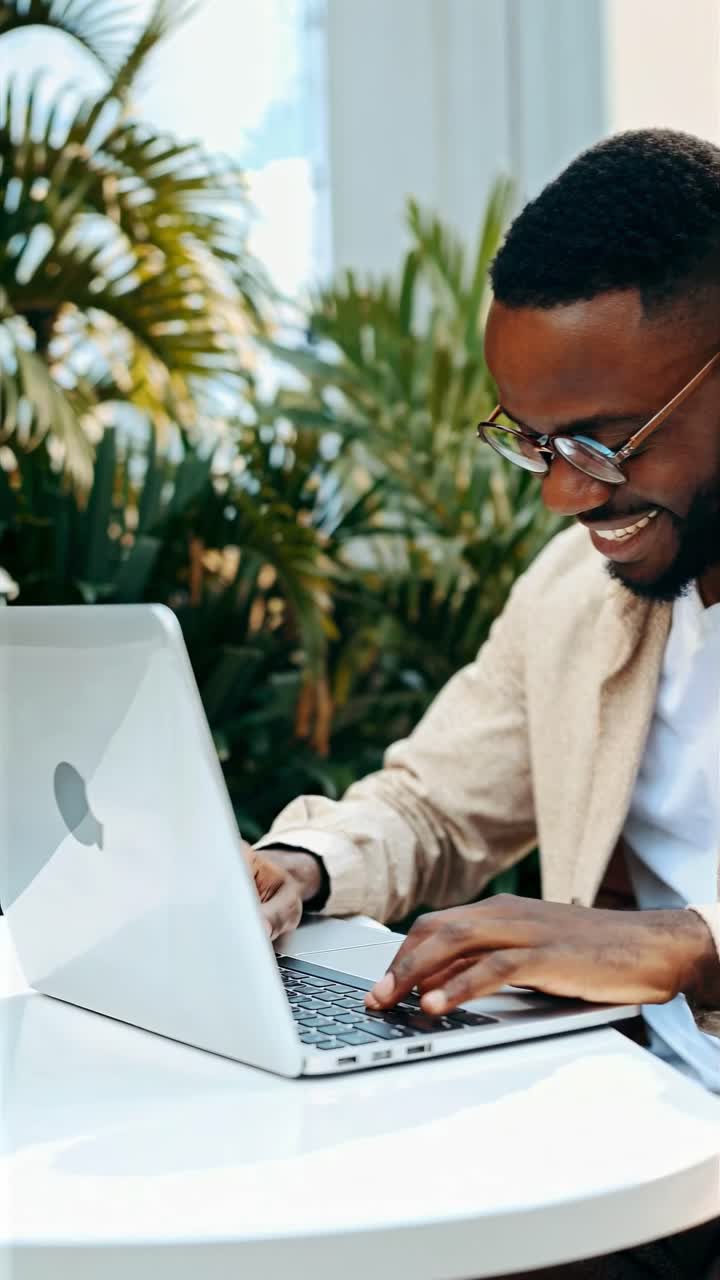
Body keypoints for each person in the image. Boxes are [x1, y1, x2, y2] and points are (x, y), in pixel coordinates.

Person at [247, 129, 720, 1278]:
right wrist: (298, 867)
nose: (564, 493)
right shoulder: (579, 595)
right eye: (536, 441)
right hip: (618, 1138)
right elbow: (433, 803)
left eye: (606, 444)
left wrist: (690, 951)